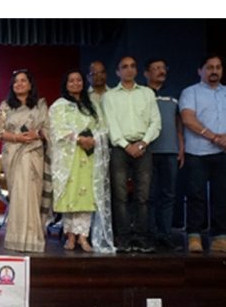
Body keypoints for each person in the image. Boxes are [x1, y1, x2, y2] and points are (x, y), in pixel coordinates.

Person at [49, 69, 115, 253]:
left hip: (89, 155)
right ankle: (70, 236)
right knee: (70, 196)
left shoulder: (92, 105)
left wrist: (93, 138)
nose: (76, 84)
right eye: (71, 81)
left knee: (87, 197)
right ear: (66, 84)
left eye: (79, 80)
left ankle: (83, 237)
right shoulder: (59, 105)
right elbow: (56, 130)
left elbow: (103, 128)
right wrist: (79, 138)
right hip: (69, 157)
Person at [103, 56, 161, 253]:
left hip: (143, 147)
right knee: (119, 196)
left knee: (143, 195)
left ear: (136, 70)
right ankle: (124, 237)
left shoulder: (147, 94)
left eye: (132, 66)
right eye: (124, 67)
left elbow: (156, 122)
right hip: (120, 148)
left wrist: (143, 143)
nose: (129, 70)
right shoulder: (109, 96)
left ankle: (142, 237)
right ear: (118, 72)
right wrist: (127, 145)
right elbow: (110, 124)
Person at [0, 69, 51, 253]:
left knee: (32, 196)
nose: (19, 84)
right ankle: (15, 239)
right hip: (14, 154)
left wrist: (37, 134)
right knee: (18, 196)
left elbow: (48, 128)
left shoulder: (40, 105)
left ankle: (34, 238)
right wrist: (18, 138)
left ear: (30, 84)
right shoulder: (5, 106)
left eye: (23, 81)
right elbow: (0, 132)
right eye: (16, 81)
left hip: (34, 153)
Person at [179, 54, 226, 253]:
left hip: (223, 152)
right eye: (209, 67)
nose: (214, 71)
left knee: (221, 195)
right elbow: (188, 119)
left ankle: (219, 236)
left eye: (217, 67)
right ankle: (194, 235)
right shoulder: (191, 92)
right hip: (197, 152)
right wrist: (214, 137)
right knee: (196, 194)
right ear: (200, 71)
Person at [144, 58, 184, 251]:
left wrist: (181, 146)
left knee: (168, 195)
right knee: (149, 196)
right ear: (146, 73)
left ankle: (165, 235)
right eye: (156, 68)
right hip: (149, 151)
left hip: (170, 151)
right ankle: (150, 236)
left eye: (163, 67)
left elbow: (178, 122)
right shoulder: (142, 94)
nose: (161, 71)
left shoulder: (174, 93)